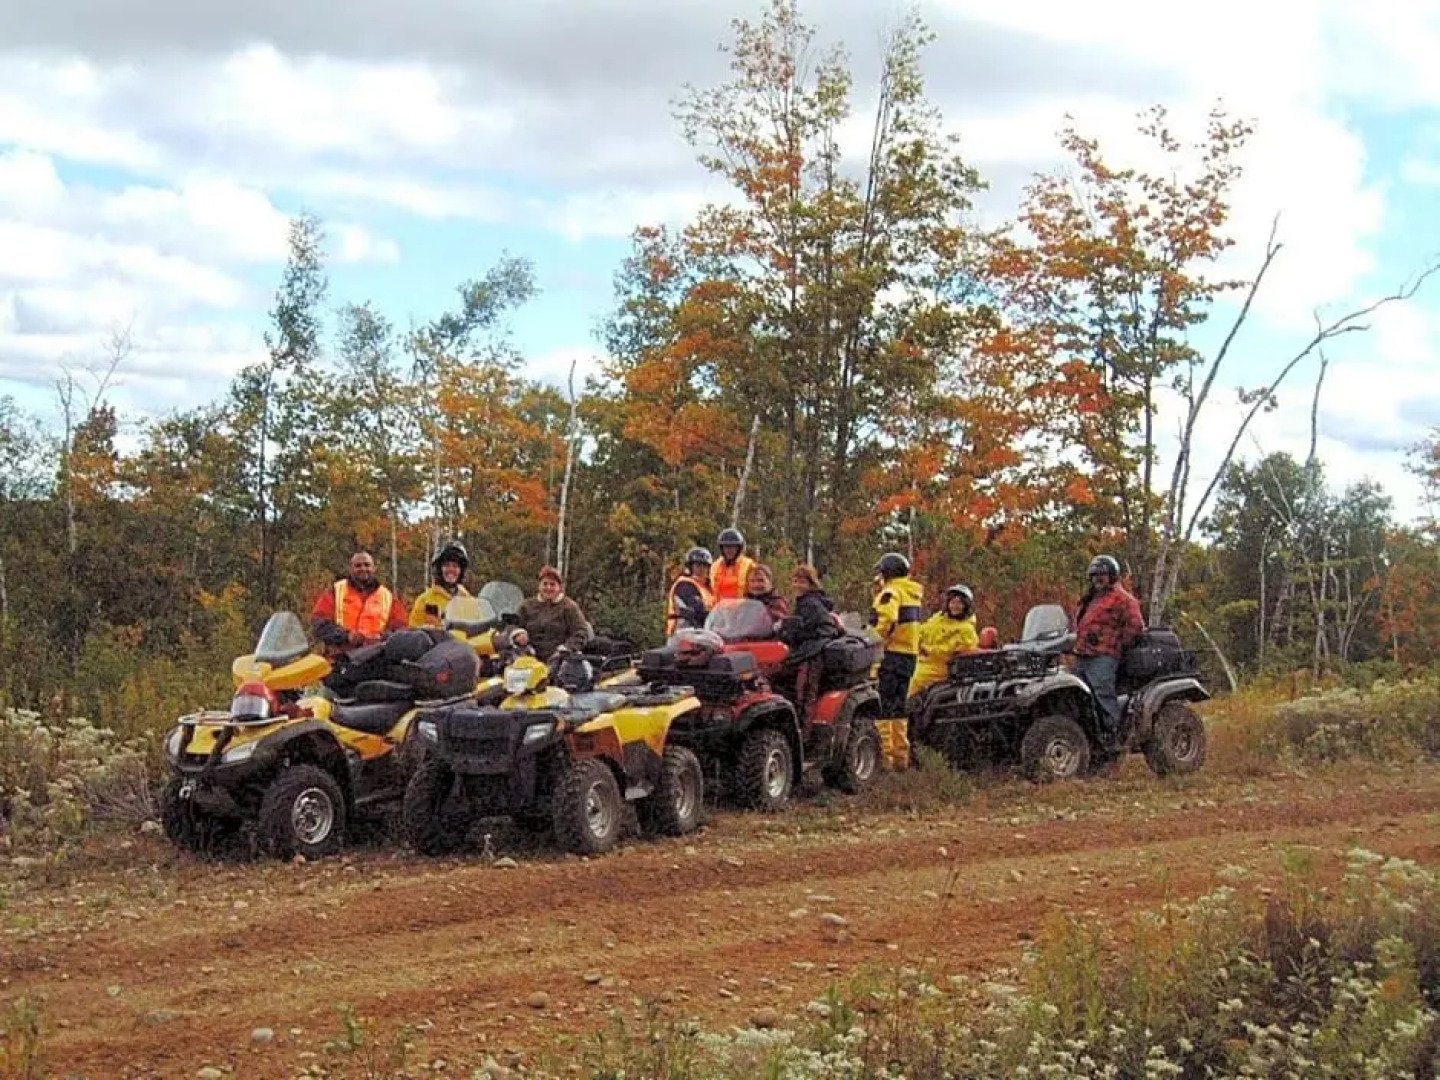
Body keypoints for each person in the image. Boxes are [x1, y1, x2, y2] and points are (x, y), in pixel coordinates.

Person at [1073, 554, 1145, 736]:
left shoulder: (1122, 598)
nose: (1098, 578)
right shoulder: (1091, 599)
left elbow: (1136, 625)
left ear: (1112, 576)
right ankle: (1089, 736)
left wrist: (1118, 642)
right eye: (1094, 575)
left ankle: (1113, 733)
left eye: (1102, 574)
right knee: (1075, 694)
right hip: (1083, 655)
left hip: (1104, 655)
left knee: (1101, 692)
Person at [869, 552, 924, 771]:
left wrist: (873, 639)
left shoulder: (891, 592)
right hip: (909, 656)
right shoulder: (912, 593)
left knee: (884, 705)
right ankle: (901, 758)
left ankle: (885, 758)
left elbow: (888, 619)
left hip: (890, 654)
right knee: (899, 707)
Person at [311, 551, 408, 658]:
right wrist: (346, 636)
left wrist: (382, 637)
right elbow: (319, 623)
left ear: (374, 568)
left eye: (367, 565)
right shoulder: (336, 591)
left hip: (377, 659)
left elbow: (401, 630)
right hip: (341, 658)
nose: (363, 568)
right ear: (350, 569)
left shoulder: (388, 597)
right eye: (358, 565)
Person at [778, 564, 841, 718]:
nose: (797, 585)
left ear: (811, 583)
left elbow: (812, 627)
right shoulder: (806, 601)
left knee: (805, 692)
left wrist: (789, 633)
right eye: (795, 581)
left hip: (813, 651)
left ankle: (805, 735)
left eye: (802, 581)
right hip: (811, 647)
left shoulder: (811, 603)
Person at [907, 584, 980, 701]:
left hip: (940, 668)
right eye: (953, 602)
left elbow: (949, 652)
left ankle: (897, 713)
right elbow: (922, 631)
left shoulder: (966, 629)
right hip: (922, 659)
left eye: (959, 603)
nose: (955, 606)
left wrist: (928, 649)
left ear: (966, 606)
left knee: (911, 682)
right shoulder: (939, 618)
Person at [517, 565, 593, 661]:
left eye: (552, 584)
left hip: (559, 659)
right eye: (545, 584)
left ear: (559, 587)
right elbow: (513, 625)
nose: (548, 588)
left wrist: (567, 648)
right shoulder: (527, 606)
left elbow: (581, 631)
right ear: (539, 586)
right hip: (528, 657)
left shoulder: (569, 607)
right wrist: (518, 634)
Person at [409, 540, 472, 628]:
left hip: (462, 641)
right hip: (438, 641)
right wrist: (424, 630)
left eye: (455, 566)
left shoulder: (468, 601)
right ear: (439, 569)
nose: (451, 570)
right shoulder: (425, 600)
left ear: (461, 571)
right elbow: (412, 631)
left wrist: (495, 636)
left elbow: (481, 628)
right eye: (447, 565)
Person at [665, 547, 716, 636]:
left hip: (703, 632)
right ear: (690, 567)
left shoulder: (709, 588)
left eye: (705, 565)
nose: (702, 569)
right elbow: (697, 608)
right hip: (682, 633)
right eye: (698, 565)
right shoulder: (684, 584)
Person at [709, 527, 757, 602]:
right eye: (726, 546)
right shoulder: (715, 566)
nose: (729, 550)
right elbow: (713, 592)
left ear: (739, 548)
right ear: (722, 548)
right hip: (719, 611)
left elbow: (757, 591)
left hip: (742, 611)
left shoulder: (749, 565)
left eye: (733, 546)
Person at [745, 563, 790, 628]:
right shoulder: (746, 603)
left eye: (761, 580)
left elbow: (776, 624)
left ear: (770, 582)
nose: (756, 585)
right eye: (752, 581)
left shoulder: (778, 603)